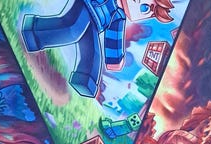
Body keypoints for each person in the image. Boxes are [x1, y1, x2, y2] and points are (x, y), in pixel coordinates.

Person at [21, 0, 174, 97]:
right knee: (72, 29)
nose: (138, 3)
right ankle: (33, 33)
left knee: (94, 55)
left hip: (94, 25)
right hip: (86, 6)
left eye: (145, 8)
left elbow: (113, 37)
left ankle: (85, 81)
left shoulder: (119, 16)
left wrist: (115, 60)